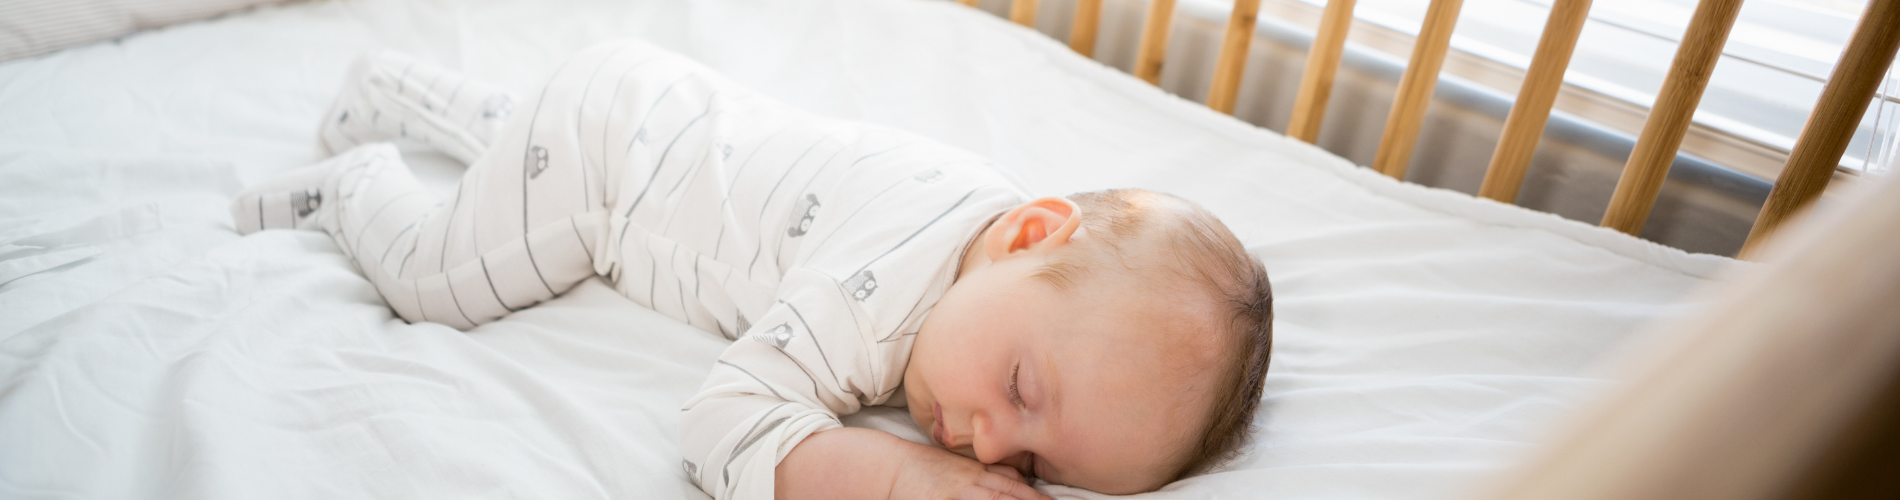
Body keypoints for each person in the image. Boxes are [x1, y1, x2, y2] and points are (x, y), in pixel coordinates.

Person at [231, 41, 1273, 500]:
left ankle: (401, 91)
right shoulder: (880, 290)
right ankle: (354, 185)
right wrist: (906, 479)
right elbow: (724, 420)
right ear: (1029, 234)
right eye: (1018, 389)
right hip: (609, 173)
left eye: (1034, 469)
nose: (987, 444)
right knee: (439, 280)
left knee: (522, 152)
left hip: (639, 104)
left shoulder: (992, 254)